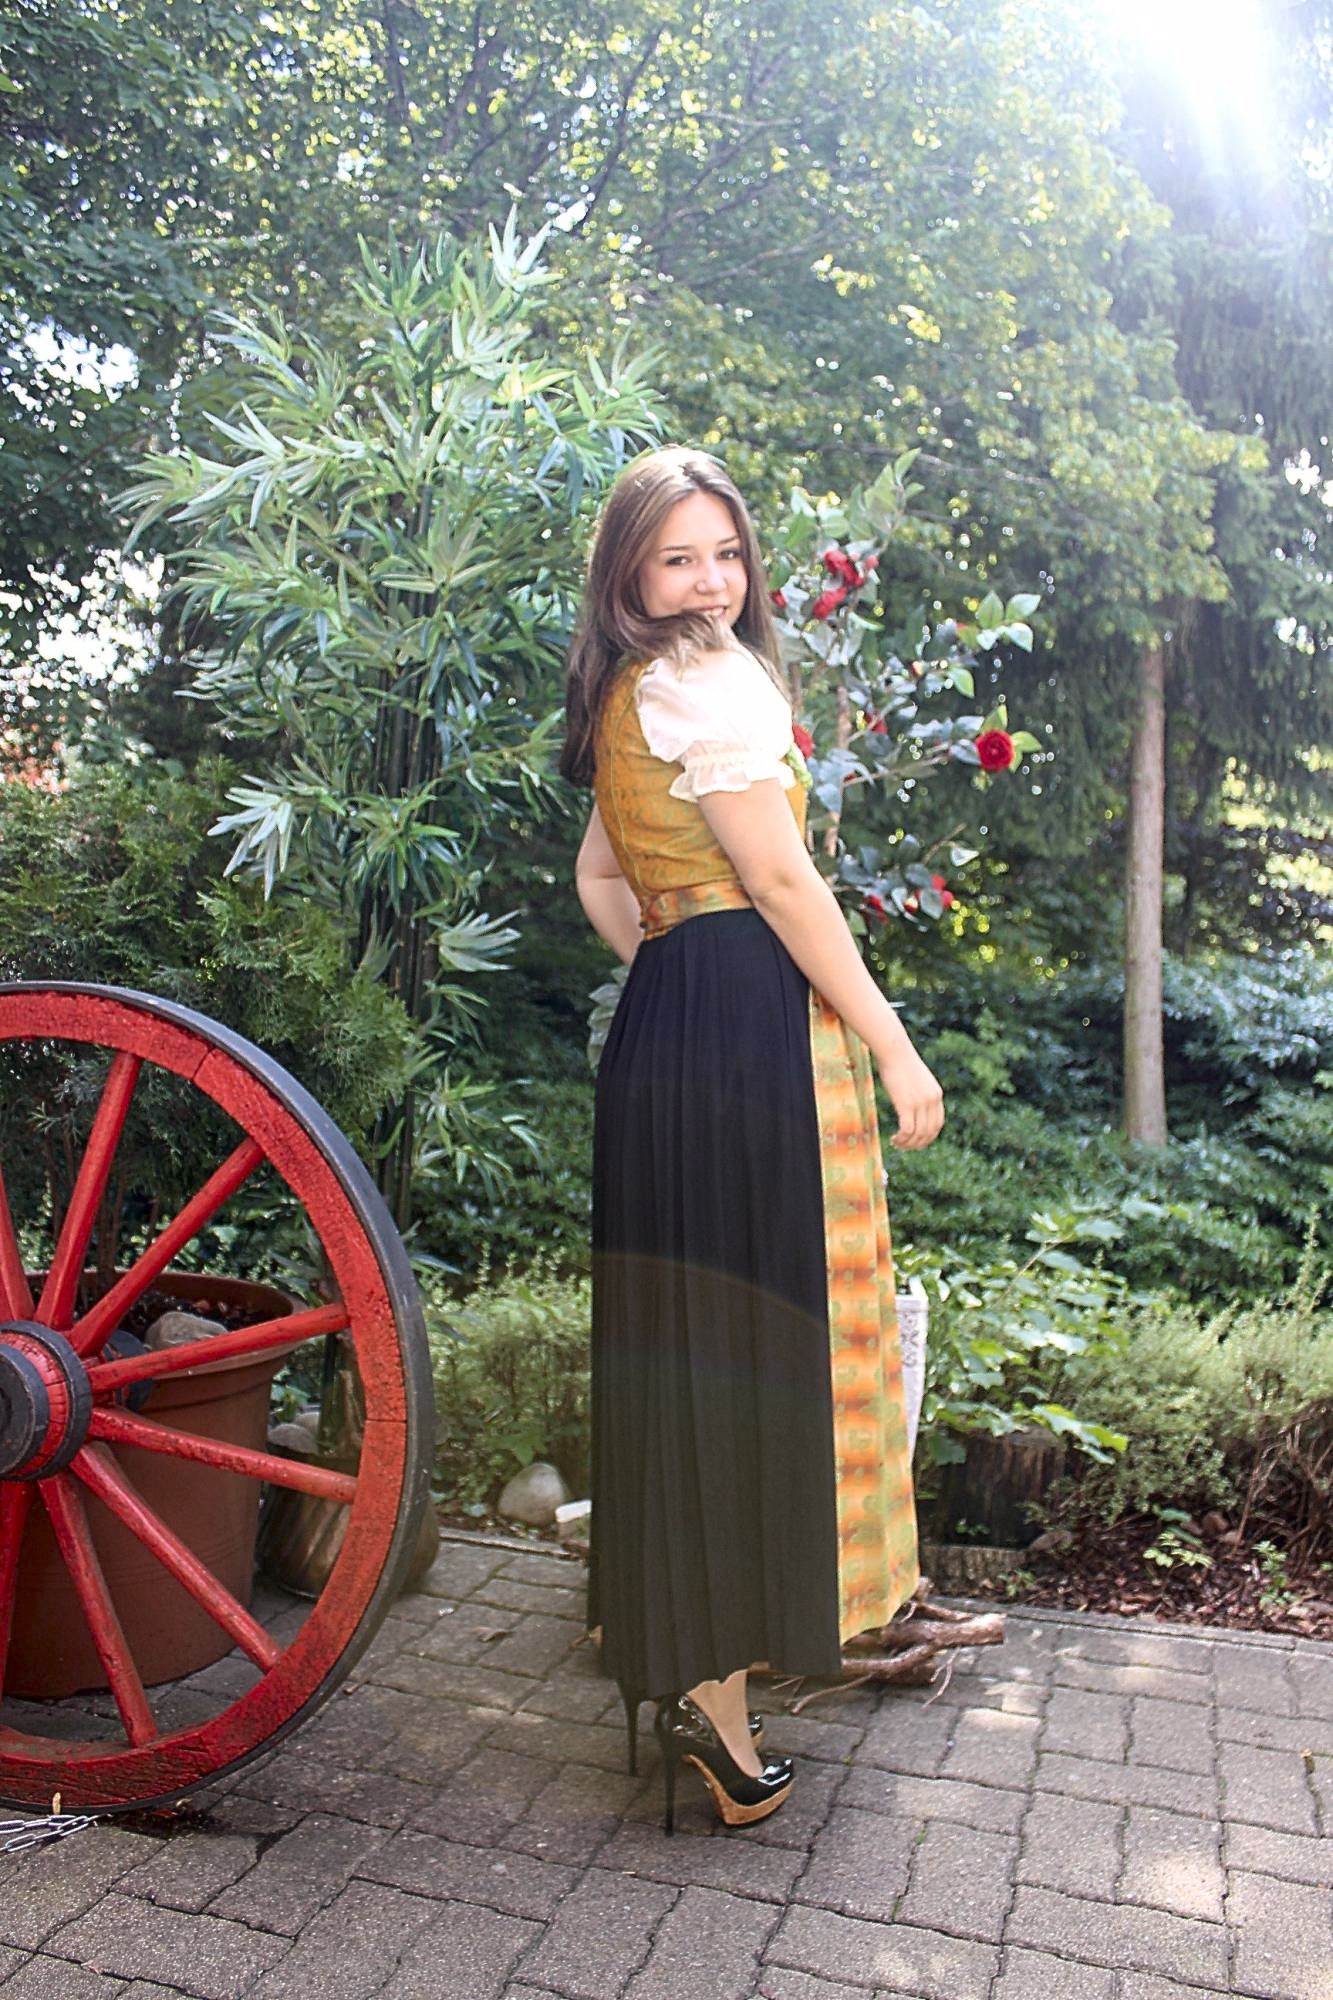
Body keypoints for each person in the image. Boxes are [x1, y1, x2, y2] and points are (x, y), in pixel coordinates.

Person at [561, 445, 944, 1833]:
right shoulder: (705, 682)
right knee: (747, 1350)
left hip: (668, 1028)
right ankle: (715, 1701)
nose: (708, 580)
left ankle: (698, 1673)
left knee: (690, 1352)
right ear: (630, 572)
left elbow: (601, 877)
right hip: (742, 1035)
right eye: (676, 558)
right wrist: (890, 1041)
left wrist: (679, 968)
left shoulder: (626, 691)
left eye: (725, 553)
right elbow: (780, 879)